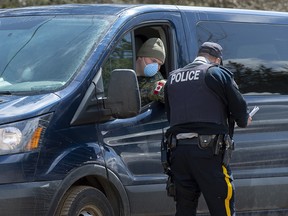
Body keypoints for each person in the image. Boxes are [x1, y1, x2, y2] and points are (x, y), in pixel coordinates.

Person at [164, 42, 252, 216]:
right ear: (217, 59)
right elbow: (240, 113)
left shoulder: (172, 78)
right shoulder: (216, 73)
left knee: (184, 209)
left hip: (178, 153)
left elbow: (171, 116)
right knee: (222, 205)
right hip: (209, 153)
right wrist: (245, 119)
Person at [135, 37, 166, 106]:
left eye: (160, 64)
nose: (157, 67)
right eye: (154, 61)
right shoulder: (124, 71)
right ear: (140, 57)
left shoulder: (155, 80)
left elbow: (163, 88)